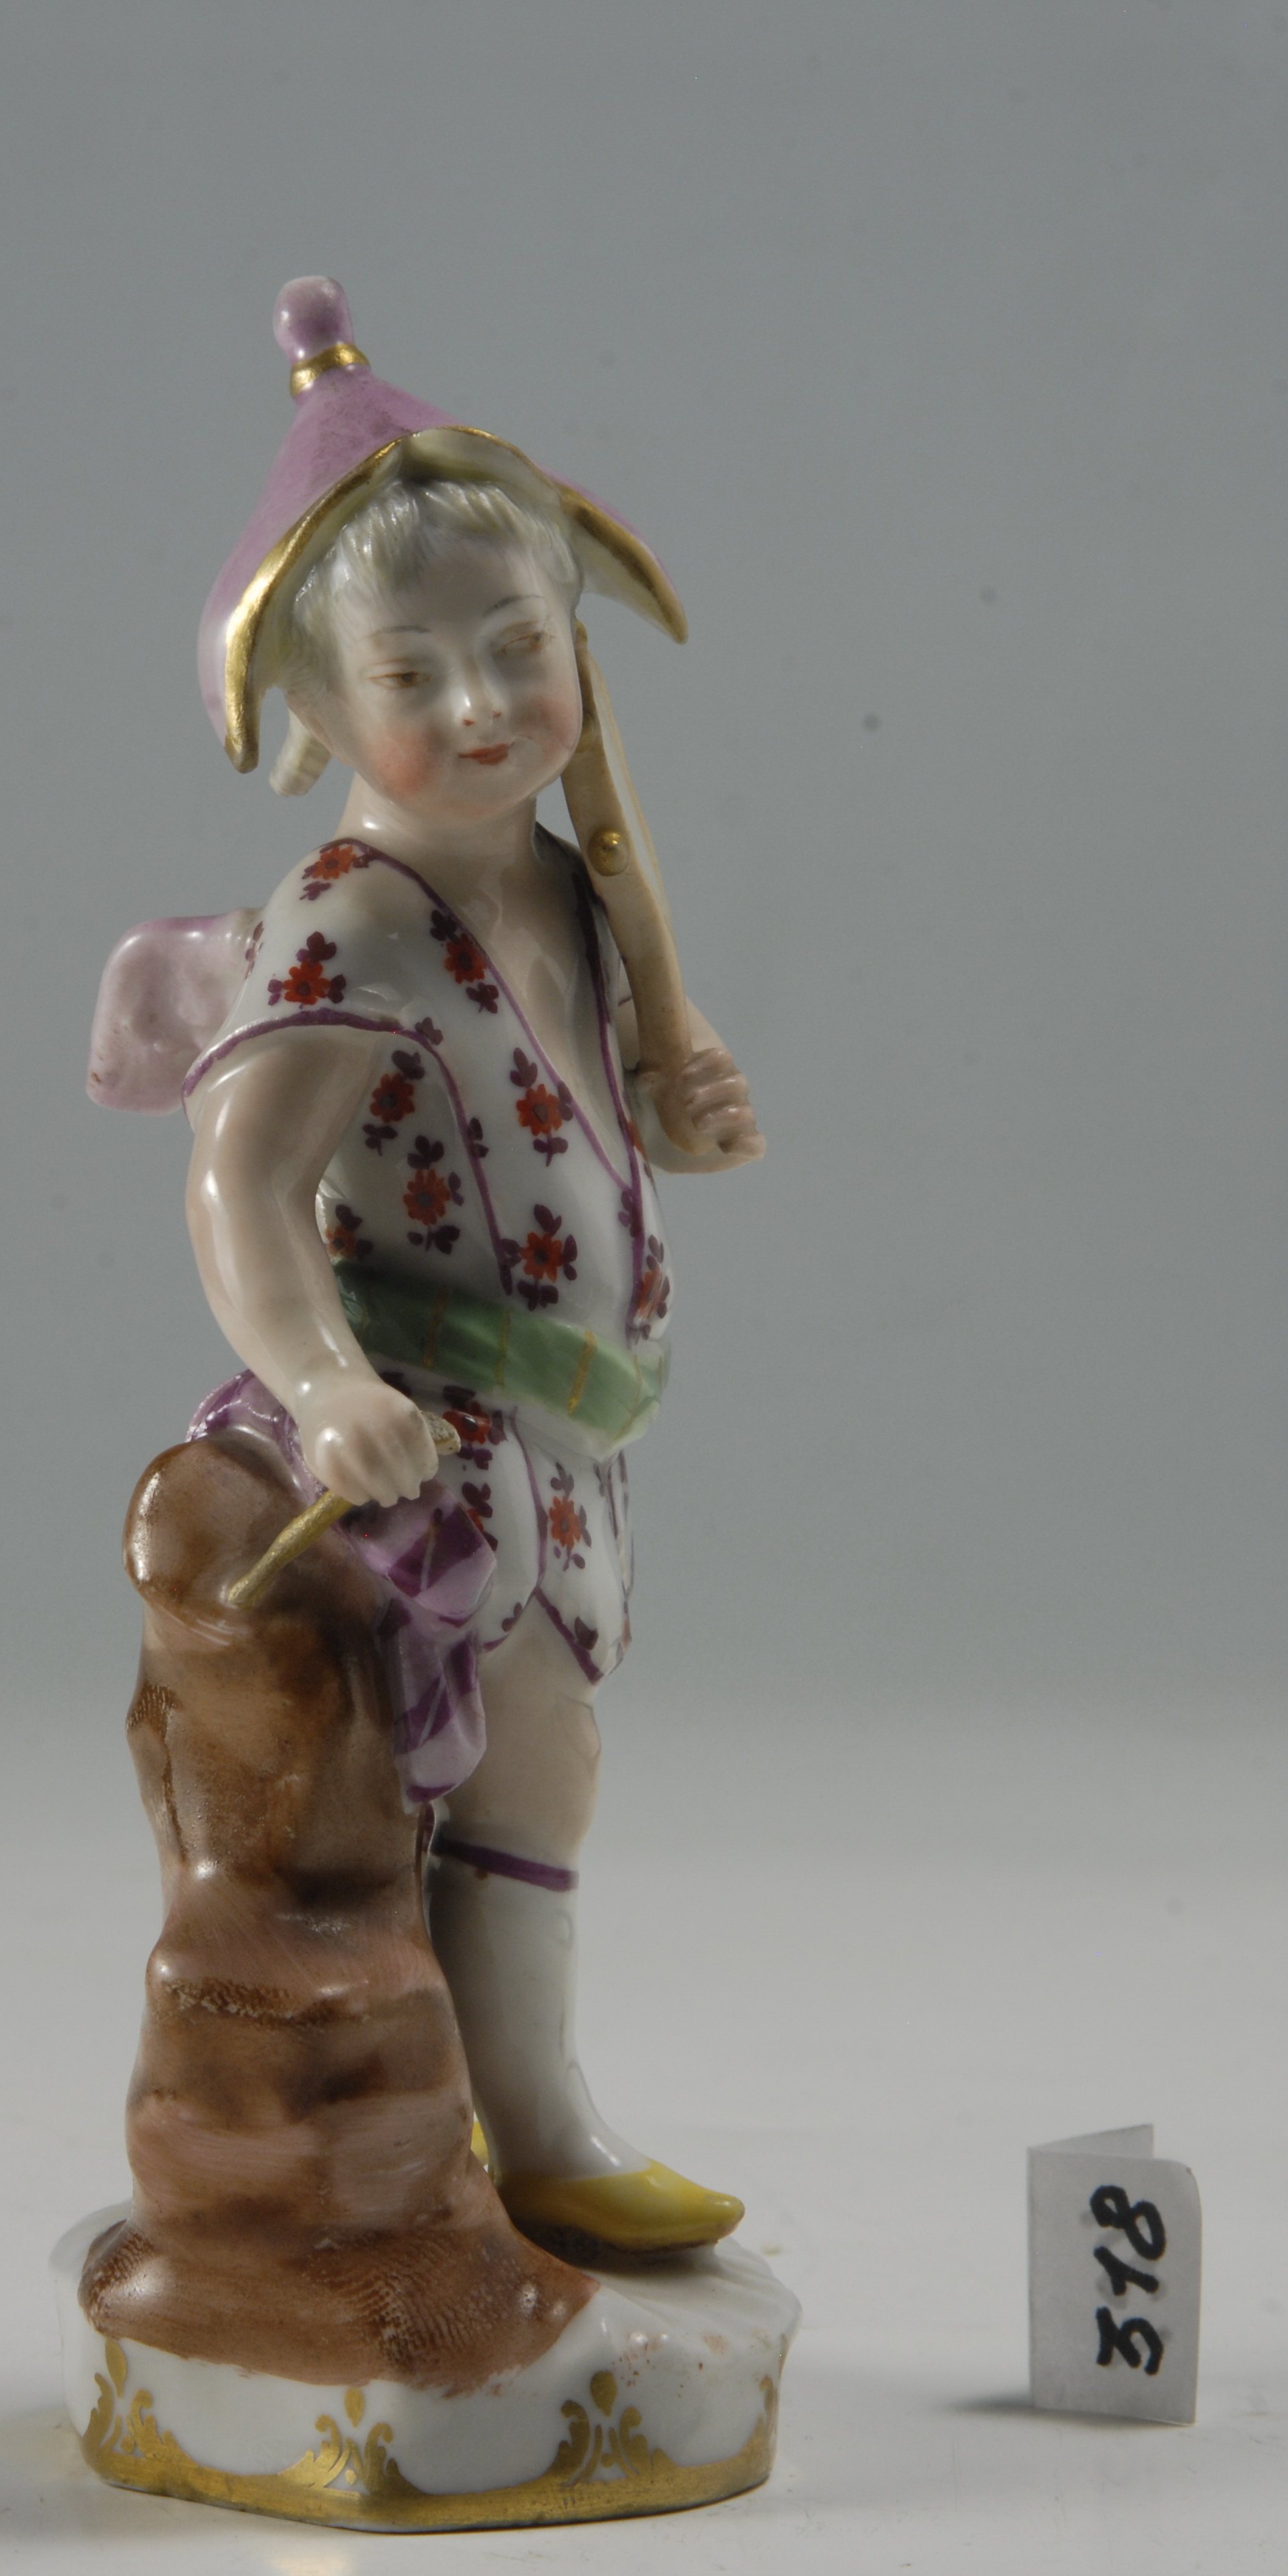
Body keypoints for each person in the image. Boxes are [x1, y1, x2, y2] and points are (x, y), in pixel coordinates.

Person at [161, 282, 762, 2254]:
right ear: (317, 713)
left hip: (565, 1447)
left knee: (538, 1788)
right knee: (502, 1787)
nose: (487, 705)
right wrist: (323, 1381)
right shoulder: (353, 919)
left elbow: (579, 1113)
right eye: (414, 672)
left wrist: (676, 1106)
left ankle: (484, 2135)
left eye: (523, 648)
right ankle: (517, 2135)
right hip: (428, 1448)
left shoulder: (567, 887)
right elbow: (244, 1187)